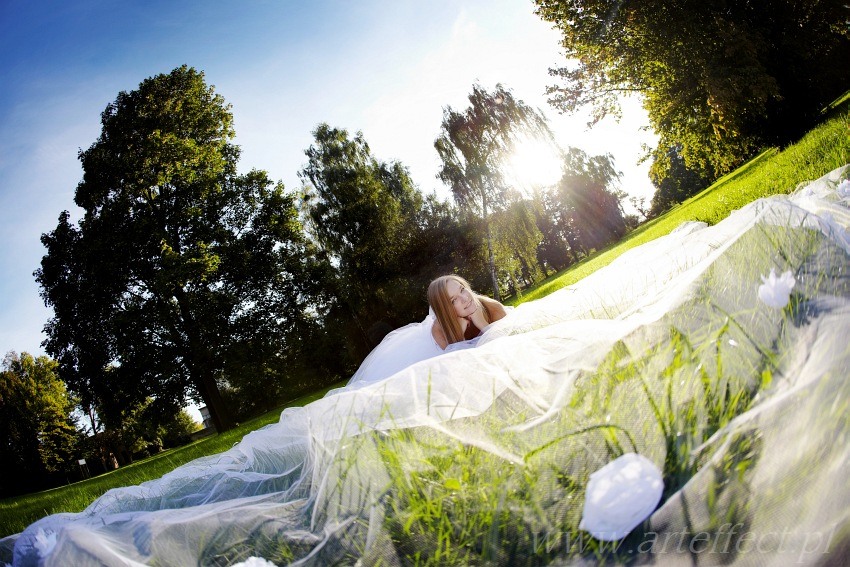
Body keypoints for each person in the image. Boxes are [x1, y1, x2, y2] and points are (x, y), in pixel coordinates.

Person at [427, 274, 508, 349]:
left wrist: (483, 324)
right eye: (454, 300)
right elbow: (458, 363)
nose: (465, 298)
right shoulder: (439, 330)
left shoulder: (492, 307)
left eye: (462, 289)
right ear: (445, 310)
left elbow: (510, 346)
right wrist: (460, 337)